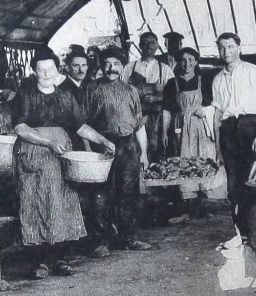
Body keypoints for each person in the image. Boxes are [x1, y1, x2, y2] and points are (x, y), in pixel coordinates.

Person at [12, 49, 116, 278]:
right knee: (35, 202)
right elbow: (20, 128)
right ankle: (39, 261)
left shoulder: (65, 97)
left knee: (61, 203)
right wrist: (47, 142)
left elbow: (80, 127)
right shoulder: (26, 95)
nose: (46, 73)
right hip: (33, 154)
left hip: (61, 154)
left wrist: (103, 140)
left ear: (58, 69)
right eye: (41, 69)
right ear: (34, 71)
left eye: (50, 68)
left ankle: (59, 258)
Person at [84, 47, 153, 257]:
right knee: (100, 195)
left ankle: (129, 238)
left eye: (115, 64)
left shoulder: (132, 90)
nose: (111, 68)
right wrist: (89, 153)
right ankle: (100, 242)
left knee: (128, 193)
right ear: (101, 66)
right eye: (106, 64)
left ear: (122, 66)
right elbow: (83, 125)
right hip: (102, 145)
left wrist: (144, 153)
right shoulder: (92, 89)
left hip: (128, 145)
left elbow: (139, 125)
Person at [211, 32, 256, 239]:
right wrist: (217, 147)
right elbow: (218, 113)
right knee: (233, 183)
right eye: (221, 47)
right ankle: (239, 232)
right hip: (229, 130)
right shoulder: (218, 79)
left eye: (230, 47)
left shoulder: (254, 72)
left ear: (238, 47)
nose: (226, 51)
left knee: (254, 180)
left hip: (251, 126)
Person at [163, 46, 220, 210]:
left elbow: (215, 106)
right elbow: (167, 110)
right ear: (178, 62)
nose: (187, 63)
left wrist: (206, 112)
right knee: (184, 159)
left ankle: (205, 199)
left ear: (196, 61)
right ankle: (188, 201)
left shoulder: (206, 80)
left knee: (204, 158)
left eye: (190, 59)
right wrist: (164, 133)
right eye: (183, 60)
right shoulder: (172, 83)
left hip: (201, 127)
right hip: (181, 127)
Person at [122, 32, 173, 163]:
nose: (148, 45)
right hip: (134, 119)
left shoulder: (165, 70)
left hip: (158, 120)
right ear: (139, 46)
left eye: (151, 42)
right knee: (136, 155)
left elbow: (172, 99)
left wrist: (157, 99)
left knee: (158, 156)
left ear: (157, 45)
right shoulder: (129, 68)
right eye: (144, 42)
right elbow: (121, 94)